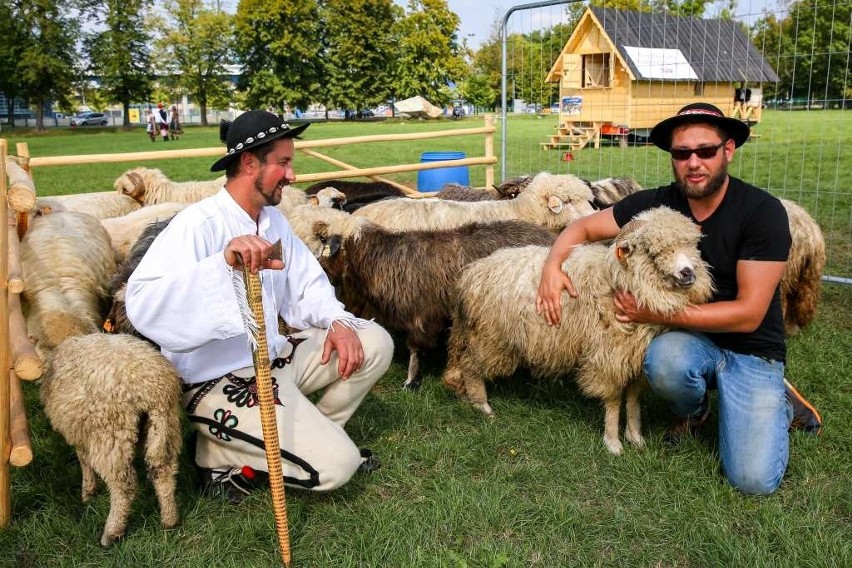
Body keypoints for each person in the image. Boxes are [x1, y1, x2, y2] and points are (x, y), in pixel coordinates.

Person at [536, 102, 822, 496]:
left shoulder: (762, 213)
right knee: (663, 360)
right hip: (689, 342)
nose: (693, 162)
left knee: (753, 481)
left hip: (751, 347)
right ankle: (696, 410)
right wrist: (553, 265)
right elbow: (584, 227)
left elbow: (749, 314)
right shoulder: (657, 206)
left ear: (728, 150)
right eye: (682, 153)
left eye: (705, 150)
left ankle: (777, 398)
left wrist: (651, 311)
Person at [125, 110, 394, 503]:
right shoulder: (197, 225)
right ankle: (219, 456)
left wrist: (336, 321)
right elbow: (143, 303)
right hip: (214, 381)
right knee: (338, 468)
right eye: (283, 163)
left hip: (272, 360)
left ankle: (307, 440)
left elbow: (305, 285)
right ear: (250, 163)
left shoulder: (272, 221)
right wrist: (221, 266)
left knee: (373, 341)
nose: (293, 175)